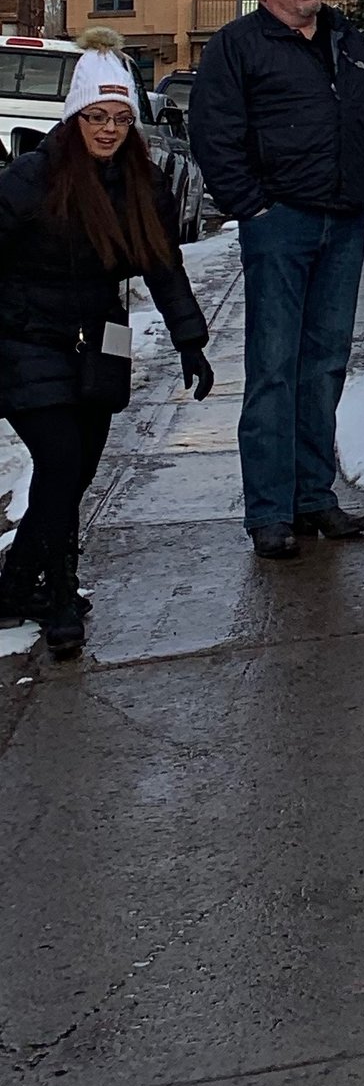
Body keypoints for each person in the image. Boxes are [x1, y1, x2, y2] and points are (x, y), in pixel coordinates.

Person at [0, 52, 215, 656]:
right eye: (96, 116)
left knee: (77, 471)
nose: (107, 129)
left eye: (119, 119)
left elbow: (163, 266)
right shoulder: (31, 180)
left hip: (97, 345)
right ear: (73, 118)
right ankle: (60, 594)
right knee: (62, 459)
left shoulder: (141, 186)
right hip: (25, 339)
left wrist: (190, 342)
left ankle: (17, 584)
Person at [188, 0, 364, 559]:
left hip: (344, 220)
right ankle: (270, 512)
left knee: (326, 363)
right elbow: (212, 133)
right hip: (281, 223)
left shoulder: (346, 38)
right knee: (273, 368)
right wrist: (251, 205)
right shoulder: (238, 46)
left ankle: (315, 498)